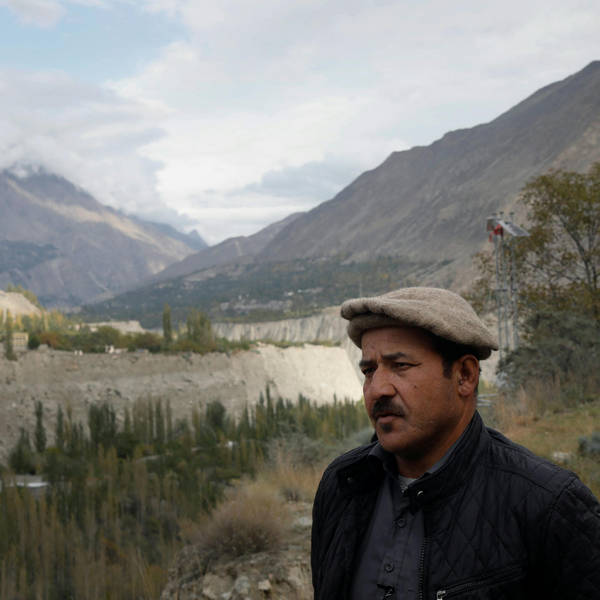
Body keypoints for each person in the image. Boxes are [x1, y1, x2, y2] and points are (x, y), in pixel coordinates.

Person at [311, 287, 600, 600]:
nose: (377, 388)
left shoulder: (549, 504)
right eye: (369, 370)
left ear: (465, 375)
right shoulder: (343, 484)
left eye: (401, 366)